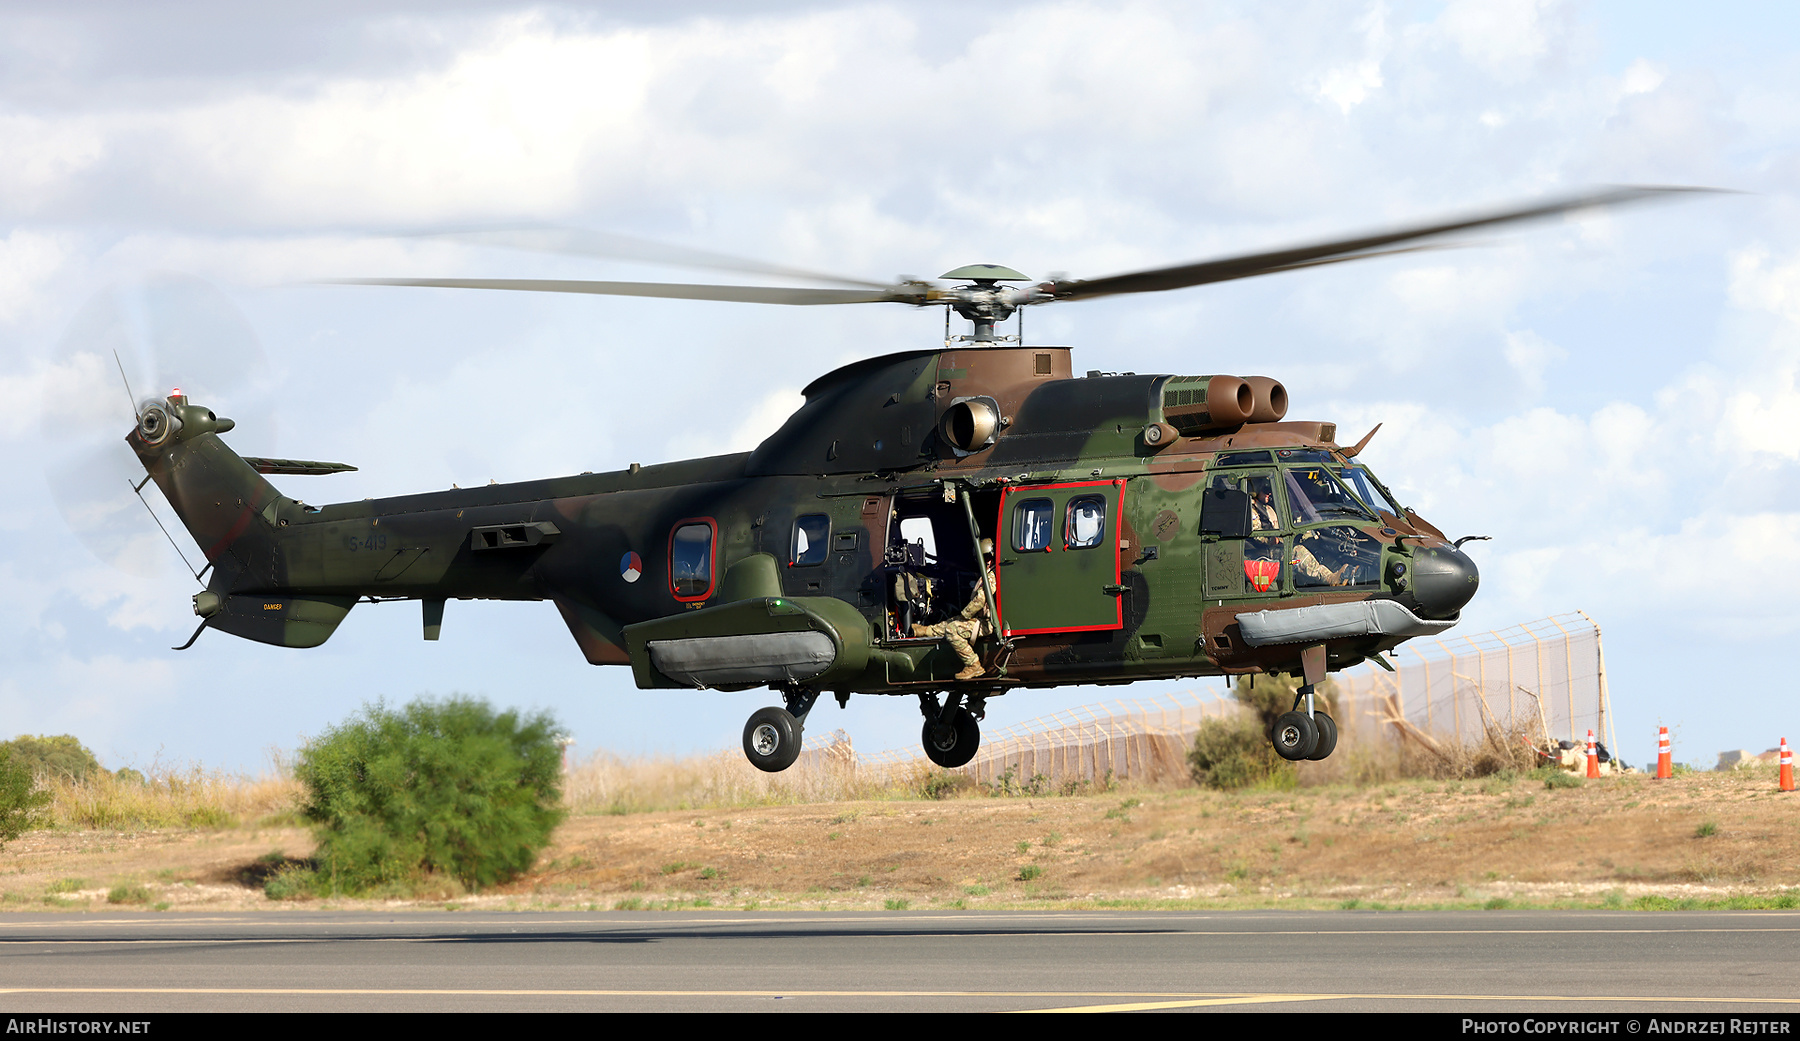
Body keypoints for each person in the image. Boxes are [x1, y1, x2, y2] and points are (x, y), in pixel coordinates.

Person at [913, 538, 997, 681]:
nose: (986, 561)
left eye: (988, 557)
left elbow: (980, 600)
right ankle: (922, 631)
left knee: (952, 629)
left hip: (987, 623)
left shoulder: (990, 577)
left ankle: (973, 665)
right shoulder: (986, 575)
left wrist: (965, 615)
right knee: (951, 621)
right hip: (981, 620)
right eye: (983, 558)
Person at [1247, 482, 1347, 586]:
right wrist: (1270, 539)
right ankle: (1329, 579)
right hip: (1265, 551)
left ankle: (1340, 573)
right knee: (1297, 553)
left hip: (1278, 544)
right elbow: (1256, 535)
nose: (1269, 493)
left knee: (1312, 544)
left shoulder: (1268, 508)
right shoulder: (1251, 510)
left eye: (1269, 490)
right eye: (1265, 490)